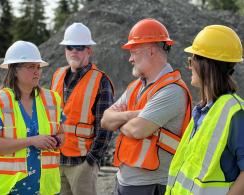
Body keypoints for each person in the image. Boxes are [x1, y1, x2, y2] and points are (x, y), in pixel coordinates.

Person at [101, 18, 192, 195]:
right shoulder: (135, 87)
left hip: (153, 186)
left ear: (151, 51)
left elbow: (138, 130)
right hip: (125, 181)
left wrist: (121, 121)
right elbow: (105, 120)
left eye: (134, 51)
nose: (130, 58)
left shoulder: (172, 90)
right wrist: (132, 115)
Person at [165, 25, 244, 195]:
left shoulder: (235, 113)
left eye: (191, 60)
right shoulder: (203, 111)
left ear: (205, 64)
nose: (189, 67)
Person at [0, 40, 65, 195]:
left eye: (38, 67)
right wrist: (32, 141)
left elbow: (62, 133)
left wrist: (56, 140)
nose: (37, 72)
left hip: (43, 188)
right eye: (30, 67)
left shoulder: (52, 99)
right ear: (14, 70)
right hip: (6, 188)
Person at [51, 22, 114, 195]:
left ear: (89, 50)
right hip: (57, 160)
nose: (73, 51)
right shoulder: (57, 76)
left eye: (79, 47)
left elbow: (106, 127)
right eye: (69, 46)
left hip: (82, 164)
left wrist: (91, 161)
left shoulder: (100, 81)